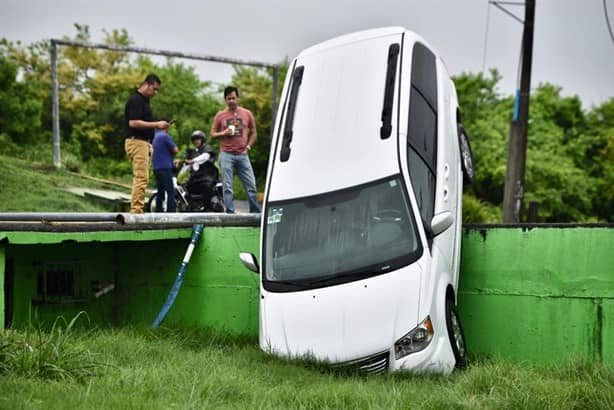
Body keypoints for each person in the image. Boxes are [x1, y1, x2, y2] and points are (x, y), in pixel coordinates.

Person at [210, 86, 261, 214]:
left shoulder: (247, 113)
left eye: (233, 98)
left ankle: (255, 213)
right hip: (226, 154)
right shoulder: (220, 115)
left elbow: (254, 133)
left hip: (243, 155)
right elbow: (212, 134)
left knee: (251, 186)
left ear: (238, 98)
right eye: (228, 98)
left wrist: (248, 146)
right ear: (225, 100)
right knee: (227, 186)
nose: (231, 101)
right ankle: (230, 213)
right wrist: (224, 132)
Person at [124, 74, 169, 214]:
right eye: (154, 89)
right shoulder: (136, 100)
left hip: (144, 143)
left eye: (157, 90)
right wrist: (156, 124)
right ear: (147, 84)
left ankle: (137, 209)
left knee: (143, 177)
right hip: (137, 142)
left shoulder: (145, 101)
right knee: (141, 177)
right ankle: (136, 211)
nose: (155, 93)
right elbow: (133, 122)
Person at [152, 120, 179, 212]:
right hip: (165, 167)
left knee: (160, 191)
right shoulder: (165, 136)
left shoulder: (154, 137)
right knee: (170, 191)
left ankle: (158, 211)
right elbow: (175, 150)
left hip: (156, 167)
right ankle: (171, 212)